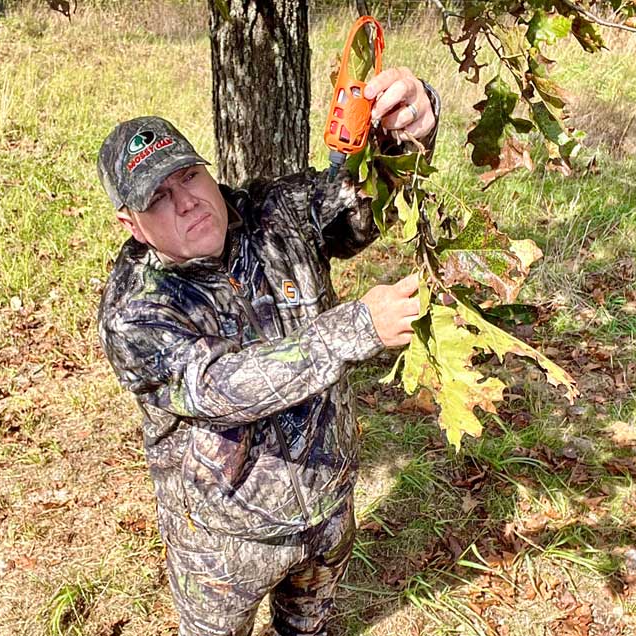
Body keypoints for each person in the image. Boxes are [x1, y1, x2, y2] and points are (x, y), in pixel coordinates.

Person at [96, 67, 439, 636]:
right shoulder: (135, 312)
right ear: (130, 224)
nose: (186, 202)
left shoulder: (274, 215)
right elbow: (221, 387)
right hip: (223, 543)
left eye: (188, 175)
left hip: (327, 504)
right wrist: (353, 328)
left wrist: (411, 126)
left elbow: (363, 198)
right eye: (158, 196)